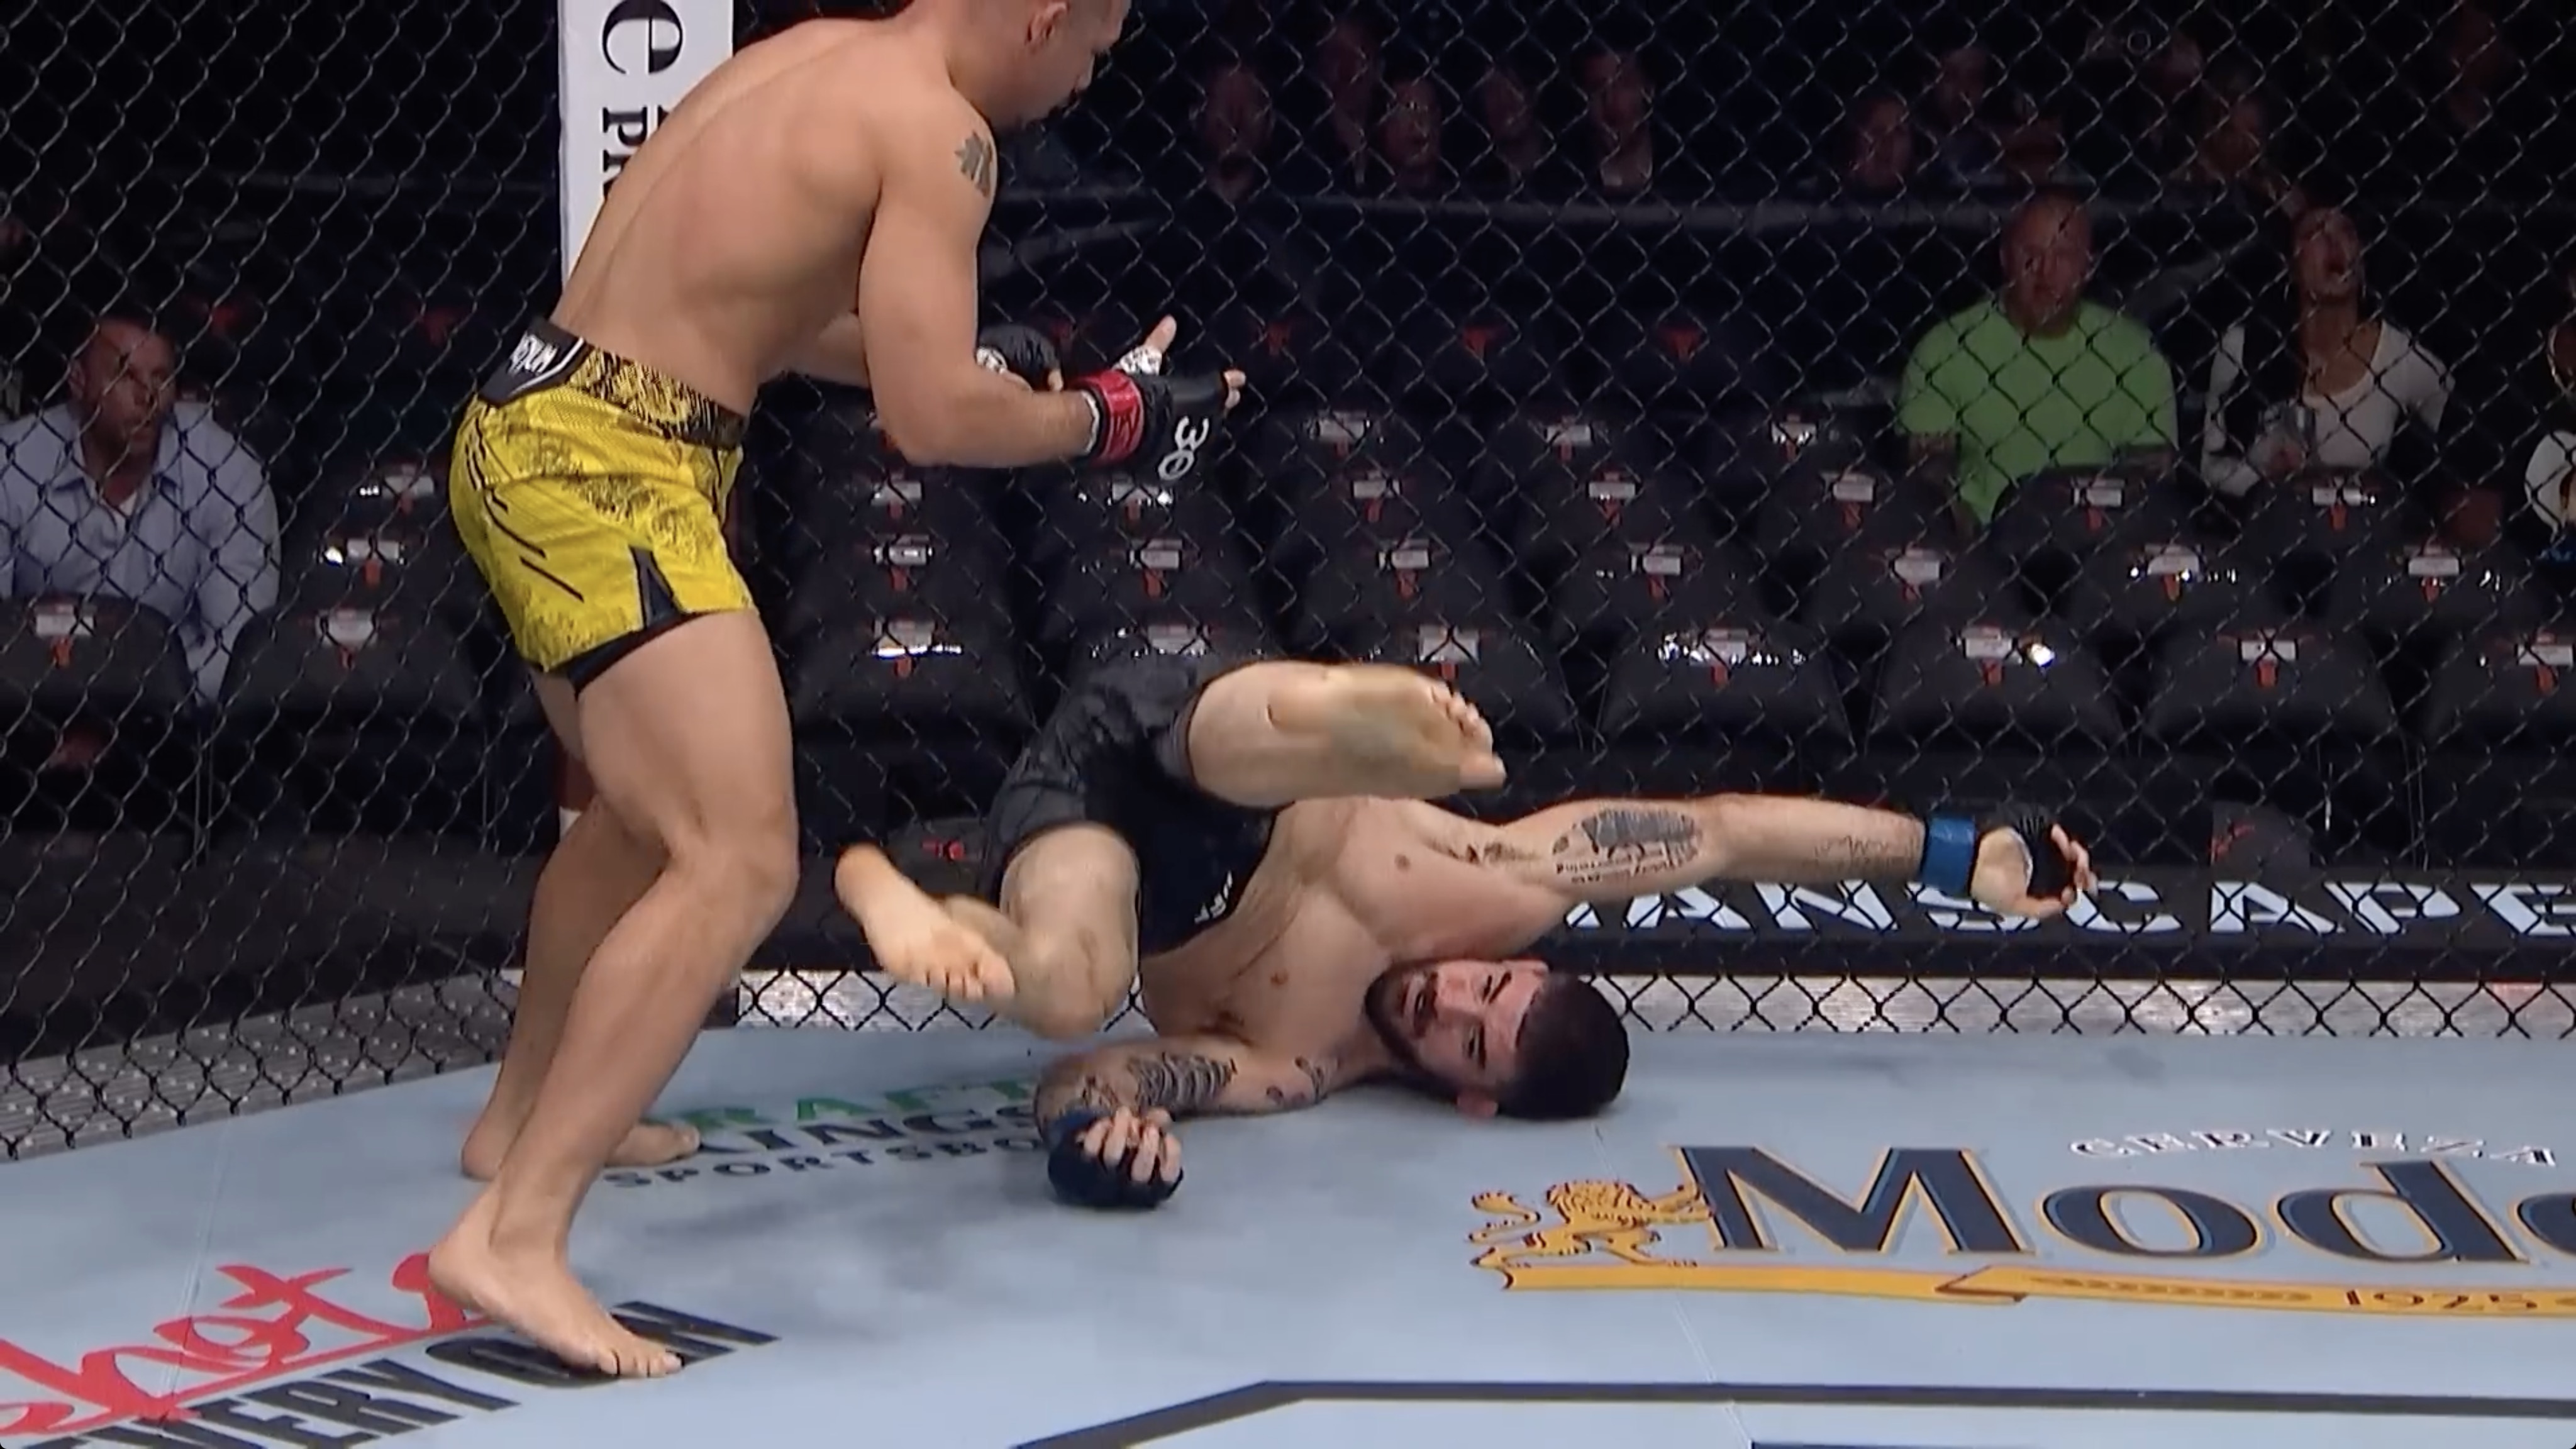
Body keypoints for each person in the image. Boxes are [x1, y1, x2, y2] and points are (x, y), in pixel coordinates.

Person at [430, 0, 1243, 1380]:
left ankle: (517, 1121)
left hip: (540, 417)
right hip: (613, 471)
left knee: (639, 823)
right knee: (737, 856)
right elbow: (929, 422)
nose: (1081, 83)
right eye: (1093, 51)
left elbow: (778, 317)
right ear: (1042, 19)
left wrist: (989, 361)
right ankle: (515, 1233)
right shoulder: (942, 135)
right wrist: (1106, 421)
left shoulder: (814, 59)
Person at [833, 654, 2097, 1208]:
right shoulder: (1505, 876)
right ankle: (1351, 711)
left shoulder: (1293, 1060)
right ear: (1517, 960)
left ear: (1468, 1098)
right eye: (1489, 988)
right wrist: (1950, 854)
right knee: (1279, 753)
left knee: (1069, 987)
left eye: (1468, 1039)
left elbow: (1097, 1072)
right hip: (1208, 733)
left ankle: (898, 895)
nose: (1449, 998)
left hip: (1095, 840)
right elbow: (1721, 833)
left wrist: (1092, 1140)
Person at [1898, 189, 2177, 530]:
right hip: (1982, 539)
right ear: (2005, 259)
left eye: (2063, 256)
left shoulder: (2135, 353)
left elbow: (2152, 478)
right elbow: (1928, 480)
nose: (2045, 272)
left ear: (2089, 267)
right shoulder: (1945, 350)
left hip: (2101, 539)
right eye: (2031, 255)